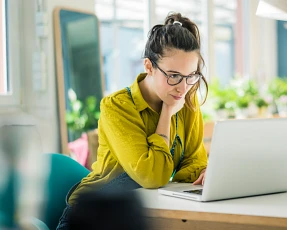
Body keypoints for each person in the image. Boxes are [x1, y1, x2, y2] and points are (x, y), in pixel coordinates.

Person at [57, 12, 208, 229]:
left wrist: (202, 173)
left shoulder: (186, 103)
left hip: (143, 212)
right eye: (173, 75)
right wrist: (167, 113)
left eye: (190, 76)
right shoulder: (117, 107)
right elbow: (153, 176)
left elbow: (194, 162)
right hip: (92, 218)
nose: (183, 87)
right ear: (148, 66)